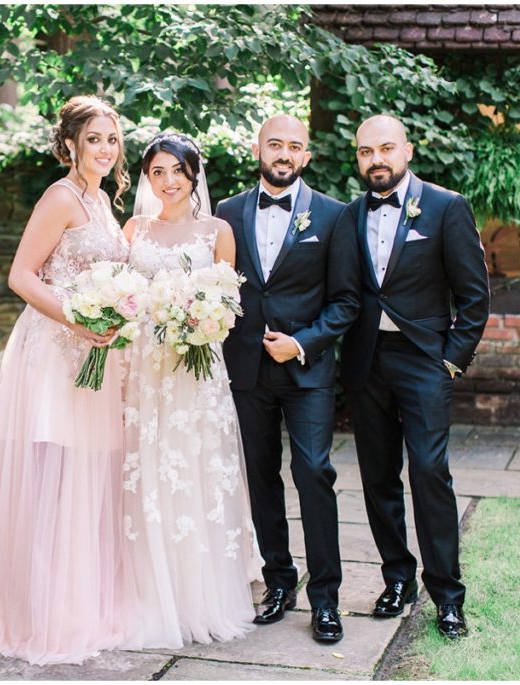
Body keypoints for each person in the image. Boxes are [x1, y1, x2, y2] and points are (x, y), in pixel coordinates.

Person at [0, 96, 133, 664]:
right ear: (71, 144)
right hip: (53, 351)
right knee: (53, 475)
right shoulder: (60, 196)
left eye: (112, 139)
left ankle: (78, 607)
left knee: (87, 476)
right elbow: (21, 276)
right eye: (94, 138)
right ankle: (36, 615)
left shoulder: (103, 202)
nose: (104, 148)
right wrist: (80, 317)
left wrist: (113, 316)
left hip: (95, 355)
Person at [338, 114, 490, 640]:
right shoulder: (349, 215)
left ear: (407, 151)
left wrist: (451, 361)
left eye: (385, 148)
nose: (375, 159)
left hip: (425, 360)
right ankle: (397, 578)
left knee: (429, 473)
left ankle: (447, 596)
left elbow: (475, 295)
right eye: (365, 152)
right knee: (378, 477)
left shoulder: (447, 207)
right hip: (365, 362)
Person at [215, 115, 361, 643]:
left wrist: (301, 343)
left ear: (306, 156)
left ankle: (326, 598)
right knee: (259, 476)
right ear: (258, 148)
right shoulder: (225, 213)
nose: (283, 153)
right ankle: (279, 580)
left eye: (293, 146)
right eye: (274, 143)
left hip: (307, 371)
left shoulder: (334, 215)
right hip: (246, 370)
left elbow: (347, 301)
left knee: (314, 472)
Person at [119, 133, 260, 649]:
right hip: (146, 372)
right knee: (150, 473)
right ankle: (150, 596)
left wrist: (199, 321)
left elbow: (228, 305)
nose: (168, 181)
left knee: (199, 470)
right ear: (147, 178)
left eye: (177, 170)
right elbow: (124, 299)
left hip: (197, 373)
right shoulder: (134, 229)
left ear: (194, 173)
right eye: (157, 171)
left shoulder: (218, 231)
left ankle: (203, 597)